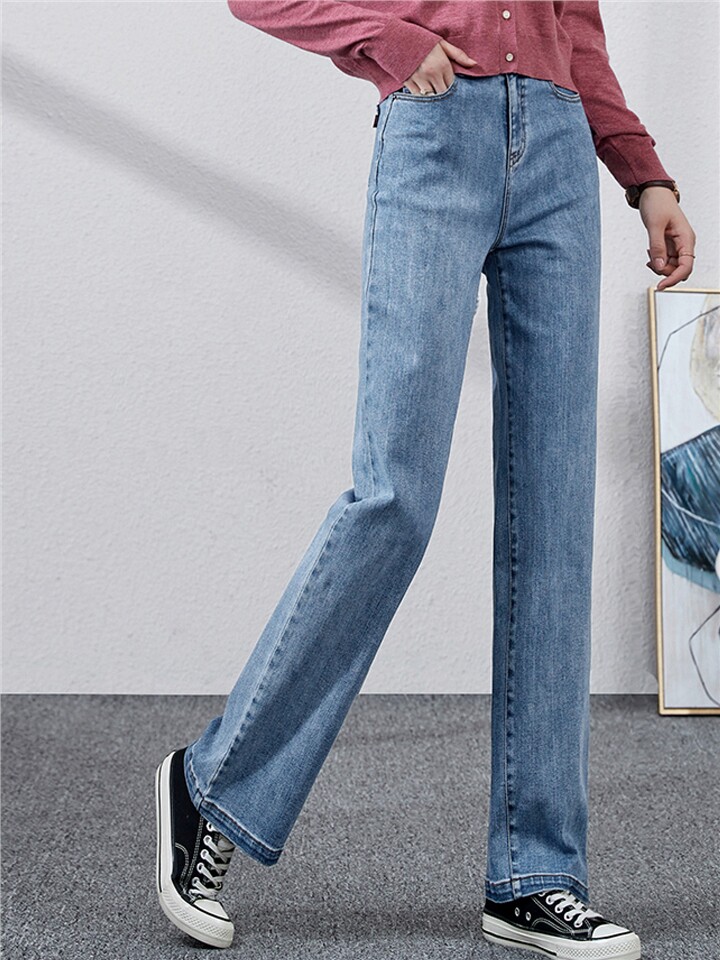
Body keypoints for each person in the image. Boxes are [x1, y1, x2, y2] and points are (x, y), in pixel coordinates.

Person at [154, 3, 697, 957]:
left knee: (555, 518)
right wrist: (392, 43)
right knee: (394, 496)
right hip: (435, 135)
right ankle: (211, 784)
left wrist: (643, 171)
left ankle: (536, 874)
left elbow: (575, 24)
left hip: (560, 154)